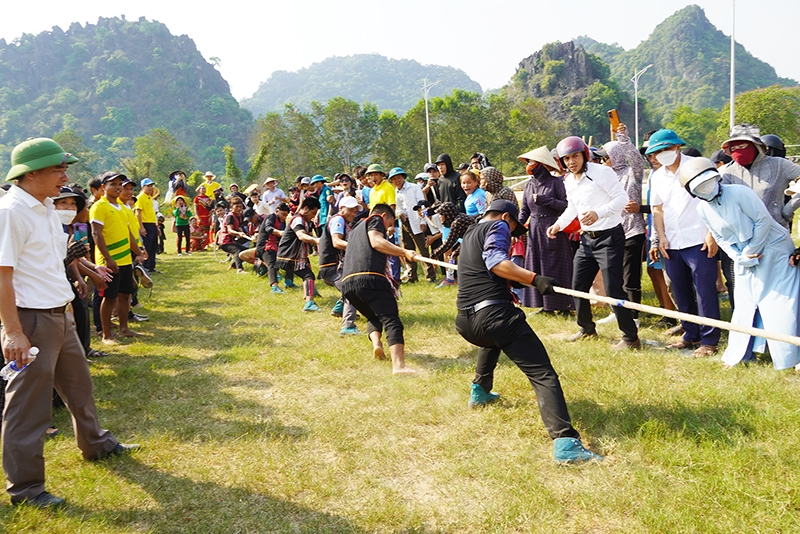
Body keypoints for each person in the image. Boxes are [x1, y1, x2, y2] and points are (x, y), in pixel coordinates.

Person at [1, 139, 140, 509]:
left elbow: (50, 260)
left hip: (58, 312)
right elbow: (2, 276)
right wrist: (13, 331)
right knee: (28, 408)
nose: (66, 177)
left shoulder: (45, 208)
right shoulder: (11, 212)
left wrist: (78, 281)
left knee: (79, 387)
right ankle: (27, 489)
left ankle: (96, 444)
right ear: (31, 173)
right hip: (31, 320)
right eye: (58, 170)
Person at [454, 199, 602, 464]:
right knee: (543, 374)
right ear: (505, 217)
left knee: (494, 339)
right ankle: (566, 443)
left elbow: (493, 274)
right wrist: (535, 278)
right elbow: (497, 263)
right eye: (513, 230)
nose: (511, 236)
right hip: (495, 316)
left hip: (466, 321)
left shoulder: (470, 233)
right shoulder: (497, 226)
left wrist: (533, 284)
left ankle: (480, 390)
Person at [680, 157, 800, 370]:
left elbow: (763, 221)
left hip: (774, 250)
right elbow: (720, 237)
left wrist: (751, 250)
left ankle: (789, 357)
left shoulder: (739, 192)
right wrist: (739, 257)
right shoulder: (703, 209)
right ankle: (740, 355)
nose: (707, 189)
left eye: (708, 182)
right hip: (744, 256)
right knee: (744, 306)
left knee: (779, 303)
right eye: (700, 187)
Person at [547, 136, 640, 350]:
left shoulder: (602, 172)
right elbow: (573, 207)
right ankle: (587, 328)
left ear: (584, 155)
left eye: (575, 156)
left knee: (613, 287)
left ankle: (630, 337)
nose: (572, 162)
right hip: (586, 239)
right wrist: (558, 225)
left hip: (609, 237)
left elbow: (622, 200)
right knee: (578, 285)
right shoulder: (568, 180)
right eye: (567, 158)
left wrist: (599, 213)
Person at [646, 129, 720, 356]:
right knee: (680, 290)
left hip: (699, 239)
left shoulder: (698, 165)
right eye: (657, 152)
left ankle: (709, 339)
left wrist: (711, 234)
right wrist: (660, 237)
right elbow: (657, 209)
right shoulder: (657, 176)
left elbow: (714, 200)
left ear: (677, 147)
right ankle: (690, 333)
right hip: (672, 242)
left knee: (705, 291)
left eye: (666, 149)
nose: (662, 154)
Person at [341, 203, 417, 374]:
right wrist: (404, 252)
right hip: (369, 278)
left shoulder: (355, 230)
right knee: (391, 319)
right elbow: (377, 242)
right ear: (384, 217)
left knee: (373, 316)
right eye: (389, 225)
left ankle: (377, 344)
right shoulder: (375, 220)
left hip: (349, 285)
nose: (388, 230)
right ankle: (399, 366)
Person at [90, 173, 145, 344]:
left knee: (125, 295)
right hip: (109, 261)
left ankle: (124, 329)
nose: (118, 187)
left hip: (125, 260)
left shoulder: (122, 207)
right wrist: (107, 258)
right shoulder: (100, 206)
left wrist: (138, 252)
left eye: (119, 184)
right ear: (103, 187)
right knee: (110, 297)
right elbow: (96, 233)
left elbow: (128, 233)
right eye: (113, 184)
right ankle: (106, 335)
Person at [518, 147, 573, 313]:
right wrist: (517, 228)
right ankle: (545, 305)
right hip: (534, 230)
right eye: (528, 163)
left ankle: (564, 306)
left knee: (556, 266)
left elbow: (566, 206)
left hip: (553, 228)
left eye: (532, 162)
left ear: (541, 164)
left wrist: (547, 200)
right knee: (537, 267)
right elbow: (524, 211)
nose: (529, 166)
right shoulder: (529, 184)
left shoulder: (556, 183)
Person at [601, 124, 646, 321]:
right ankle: (617, 311)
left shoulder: (632, 173)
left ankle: (633, 316)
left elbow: (636, 159)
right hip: (613, 232)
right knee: (615, 275)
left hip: (632, 231)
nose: (603, 161)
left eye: (605, 157)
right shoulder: (606, 177)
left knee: (631, 276)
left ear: (617, 156)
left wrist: (623, 138)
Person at [318, 196, 361, 334]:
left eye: (355, 211)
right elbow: (336, 242)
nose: (353, 214)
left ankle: (339, 308)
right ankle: (348, 326)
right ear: (341, 208)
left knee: (355, 284)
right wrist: (358, 247)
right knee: (352, 289)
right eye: (351, 210)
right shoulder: (338, 219)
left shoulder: (344, 222)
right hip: (332, 268)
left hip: (336, 267)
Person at [388, 167, 435, 283]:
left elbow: (421, 204)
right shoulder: (394, 191)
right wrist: (399, 214)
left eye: (399, 177)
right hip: (404, 222)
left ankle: (430, 276)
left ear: (403, 177)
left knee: (423, 249)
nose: (397, 181)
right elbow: (396, 207)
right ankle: (411, 276)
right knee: (408, 249)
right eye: (394, 179)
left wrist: (423, 221)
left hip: (416, 220)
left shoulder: (414, 188)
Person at [276, 196, 322, 311]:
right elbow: (301, 235)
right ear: (305, 208)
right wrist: (317, 240)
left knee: (308, 269)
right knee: (308, 276)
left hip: (296, 256)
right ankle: (309, 303)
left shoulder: (304, 221)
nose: (313, 216)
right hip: (289, 255)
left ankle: (310, 292)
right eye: (313, 213)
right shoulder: (297, 219)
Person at [255, 203, 290, 292]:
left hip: (276, 246)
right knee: (272, 264)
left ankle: (289, 281)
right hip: (265, 246)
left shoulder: (282, 221)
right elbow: (268, 227)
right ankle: (274, 286)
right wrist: (278, 232)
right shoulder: (271, 217)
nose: (284, 217)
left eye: (286, 215)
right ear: (277, 211)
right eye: (283, 214)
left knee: (289, 259)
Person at [217, 199, 249, 274]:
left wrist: (241, 231)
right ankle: (239, 269)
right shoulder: (230, 217)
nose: (239, 208)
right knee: (237, 251)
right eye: (237, 206)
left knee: (246, 251)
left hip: (231, 241)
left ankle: (234, 265)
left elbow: (237, 227)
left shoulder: (238, 216)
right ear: (232, 207)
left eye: (240, 206)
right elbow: (230, 231)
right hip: (225, 242)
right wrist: (239, 233)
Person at [134, 178, 158, 272]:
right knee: (147, 246)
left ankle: (152, 267)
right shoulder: (140, 197)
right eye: (148, 186)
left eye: (151, 186)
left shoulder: (149, 197)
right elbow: (138, 213)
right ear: (143, 187)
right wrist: (141, 227)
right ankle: (146, 267)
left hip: (152, 224)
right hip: (145, 224)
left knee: (153, 246)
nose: (150, 188)